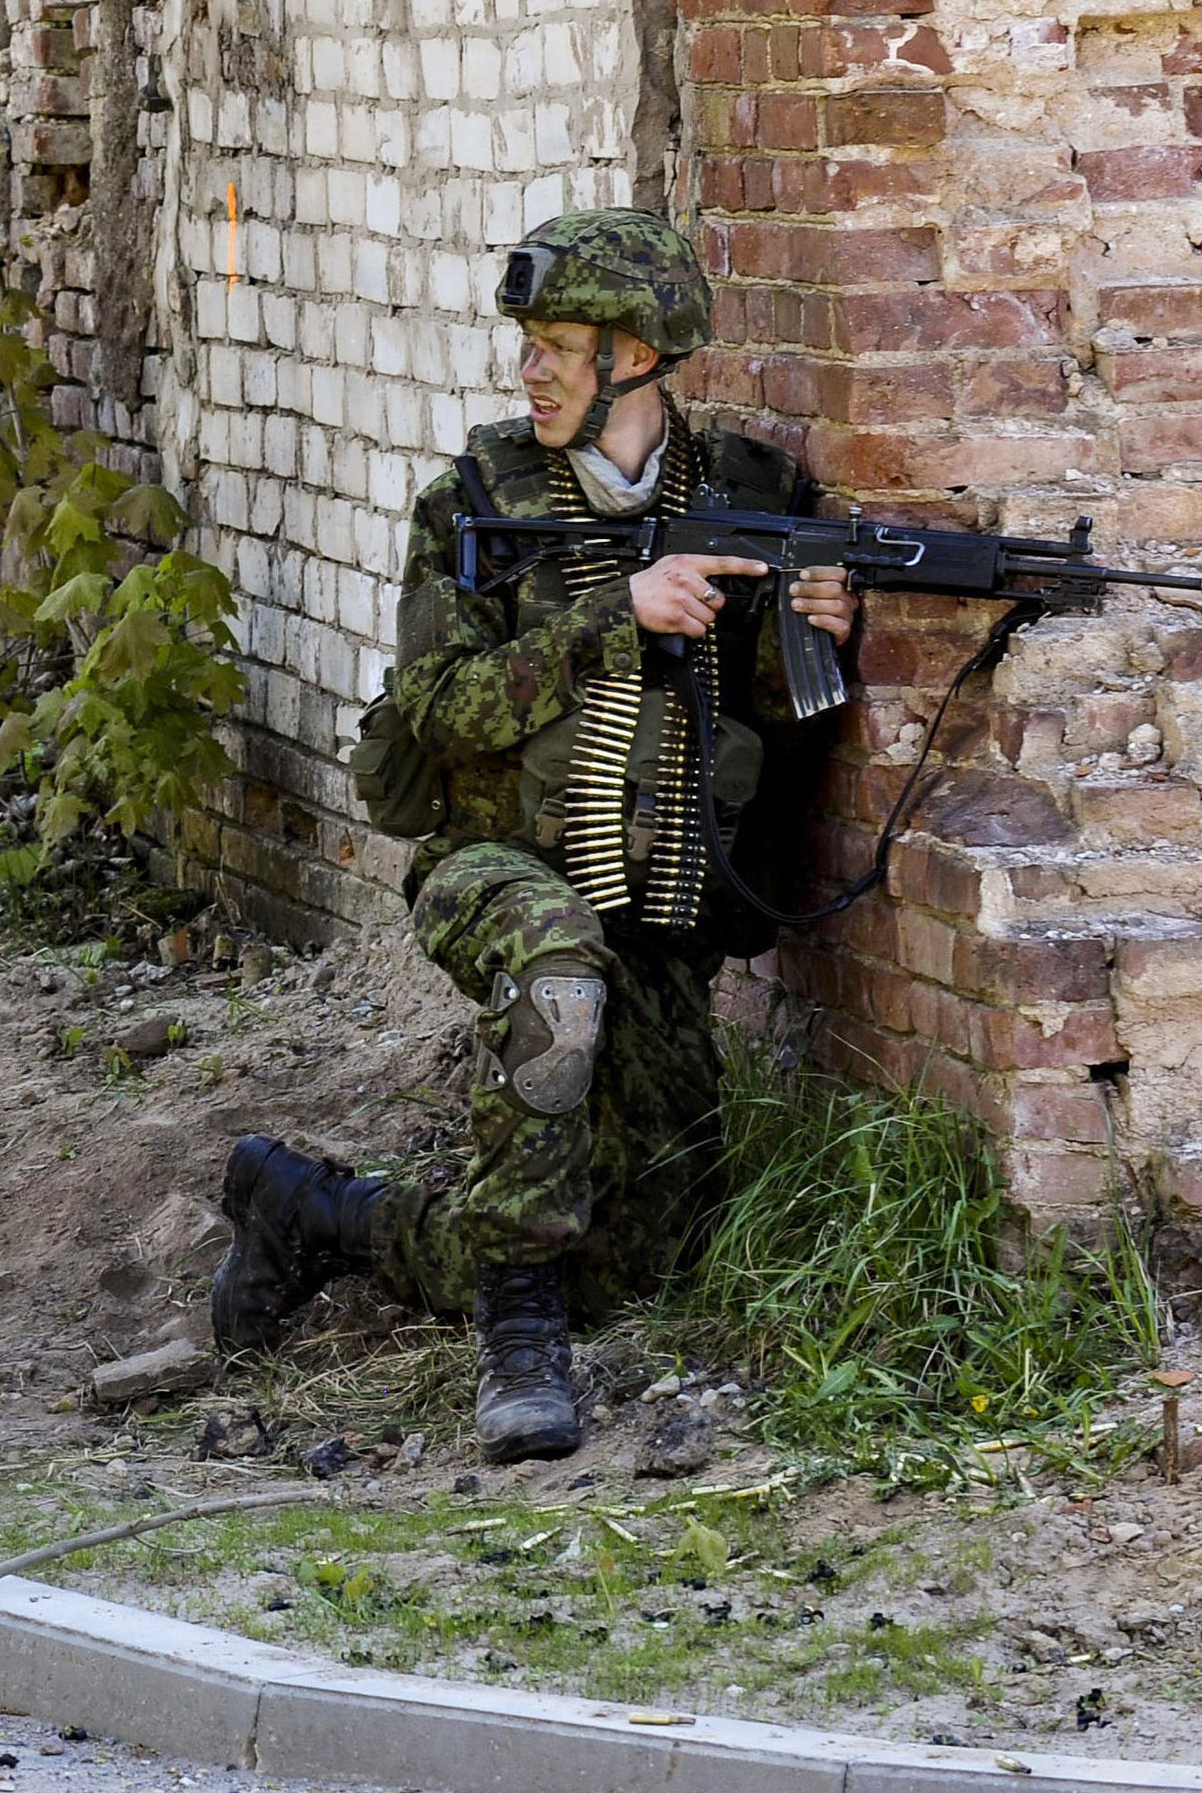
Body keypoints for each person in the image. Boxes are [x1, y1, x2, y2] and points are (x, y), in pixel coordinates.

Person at [210, 209, 858, 1462]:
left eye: (563, 345)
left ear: (640, 357)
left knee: (632, 1258)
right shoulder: (474, 499)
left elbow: (770, 725)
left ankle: (314, 1213)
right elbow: (440, 710)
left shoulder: (749, 493)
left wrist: (817, 634)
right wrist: (616, 615)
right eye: (531, 344)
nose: (534, 369)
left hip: (654, 898)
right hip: (489, 864)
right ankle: (518, 1353)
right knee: (556, 966)